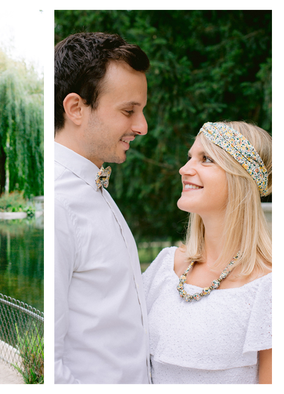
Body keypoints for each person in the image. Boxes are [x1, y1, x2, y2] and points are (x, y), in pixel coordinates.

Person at [54, 32, 152, 383]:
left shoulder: (94, 187)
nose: (142, 127)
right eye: (129, 111)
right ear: (76, 108)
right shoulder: (60, 204)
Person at [142, 121, 272, 384]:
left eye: (206, 159)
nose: (184, 169)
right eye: (190, 157)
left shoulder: (268, 287)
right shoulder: (166, 266)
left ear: (240, 176)